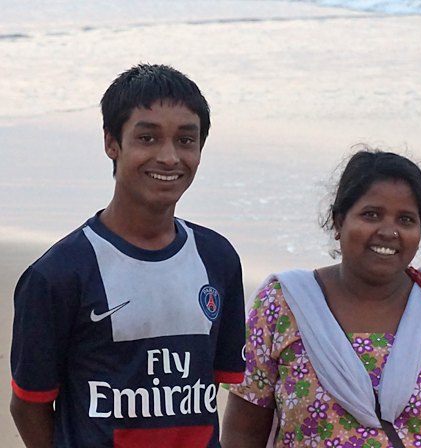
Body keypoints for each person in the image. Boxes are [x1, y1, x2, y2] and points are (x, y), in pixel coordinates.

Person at [10, 64, 246, 448]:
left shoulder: (218, 259)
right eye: (147, 138)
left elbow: (219, 382)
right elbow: (29, 405)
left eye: (186, 140)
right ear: (112, 143)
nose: (169, 157)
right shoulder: (58, 275)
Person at [222, 148, 421, 447]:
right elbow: (243, 430)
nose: (389, 231)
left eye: (406, 220)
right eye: (371, 214)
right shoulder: (283, 303)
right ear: (338, 222)